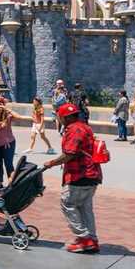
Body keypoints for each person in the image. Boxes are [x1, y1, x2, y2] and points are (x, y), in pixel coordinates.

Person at [43, 102, 102, 253]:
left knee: (67, 203)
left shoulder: (74, 129)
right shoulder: (84, 126)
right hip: (92, 174)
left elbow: (70, 153)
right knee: (85, 207)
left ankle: (84, 238)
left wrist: (52, 162)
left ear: (65, 118)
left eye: (60, 117)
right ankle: (92, 239)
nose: (59, 119)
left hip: (80, 175)